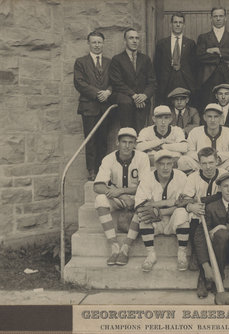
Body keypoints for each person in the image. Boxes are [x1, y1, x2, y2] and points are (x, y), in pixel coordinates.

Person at [174, 147, 227, 298]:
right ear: (199, 163)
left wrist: (199, 201)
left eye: (211, 162)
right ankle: (204, 277)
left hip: (219, 217)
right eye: (204, 163)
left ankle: (202, 264)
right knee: (191, 219)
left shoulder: (223, 174)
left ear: (217, 161)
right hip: (200, 217)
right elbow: (183, 200)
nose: (208, 167)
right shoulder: (193, 177)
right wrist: (190, 205)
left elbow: (220, 196)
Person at [93, 128, 150, 266]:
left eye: (131, 142)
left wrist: (121, 191)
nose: (127, 145)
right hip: (119, 198)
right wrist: (122, 195)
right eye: (124, 142)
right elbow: (97, 186)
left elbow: (145, 186)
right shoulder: (109, 158)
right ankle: (114, 246)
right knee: (100, 199)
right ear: (117, 142)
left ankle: (125, 247)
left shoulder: (142, 157)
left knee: (144, 203)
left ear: (135, 144)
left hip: (137, 196)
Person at [134, 150, 189, 272]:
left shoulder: (181, 176)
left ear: (173, 164)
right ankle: (151, 254)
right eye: (162, 164)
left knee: (182, 213)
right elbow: (141, 205)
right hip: (156, 223)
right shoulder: (147, 178)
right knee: (144, 215)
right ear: (156, 165)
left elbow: (186, 203)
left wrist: (159, 210)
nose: (165, 167)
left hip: (173, 221)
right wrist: (168, 202)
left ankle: (182, 254)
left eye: (169, 163)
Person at [73, 31, 112, 181]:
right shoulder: (81, 62)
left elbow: (114, 81)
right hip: (89, 107)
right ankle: (91, 171)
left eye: (99, 42)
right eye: (94, 42)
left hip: (105, 107)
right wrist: (97, 93)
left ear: (103, 43)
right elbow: (79, 83)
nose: (97, 45)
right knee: (90, 140)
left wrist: (108, 92)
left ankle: (102, 170)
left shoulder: (109, 62)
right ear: (88, 43)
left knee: (103, 141)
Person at [109, 28, 157, 132]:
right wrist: (134, 96)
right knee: (127, 132)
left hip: (142, 100)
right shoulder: (117, 59)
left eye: (137, 38)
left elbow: (152, 82)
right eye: (131, 38)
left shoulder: (145, 59)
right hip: (125, 100)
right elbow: (117, 83)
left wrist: (144, 95)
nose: (134, 41)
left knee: (140, 132)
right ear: (125, 41)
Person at [196, 7, 229, 111]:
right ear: (211, 18)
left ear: (225, 18)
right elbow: (200, 56)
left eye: (221, 16)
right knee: (209, 107)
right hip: (208, 79)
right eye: (215, 16)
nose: (218, 19)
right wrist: (225, 55)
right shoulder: (203, 37)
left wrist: (218, 51)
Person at [178, 103, 229, 172]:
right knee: (183, 161)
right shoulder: (195, 132)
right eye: (209, 116)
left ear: (221, 118)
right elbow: (189, 152)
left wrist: (220, 156)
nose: (212, 120)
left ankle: (225, 179)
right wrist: (204, 157)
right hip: (201, 166)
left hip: (222, 166)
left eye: (216, 117)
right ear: (204, 117)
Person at [154, 12, 197, 105]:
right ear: (171, 24)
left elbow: (195, 67)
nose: (178, 25)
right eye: (175, 22)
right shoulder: (162, 43)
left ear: (184, 25)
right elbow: (156, 66)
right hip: (166, 83)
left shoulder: (190, 43)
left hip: (185, 82)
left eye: (180, 22)